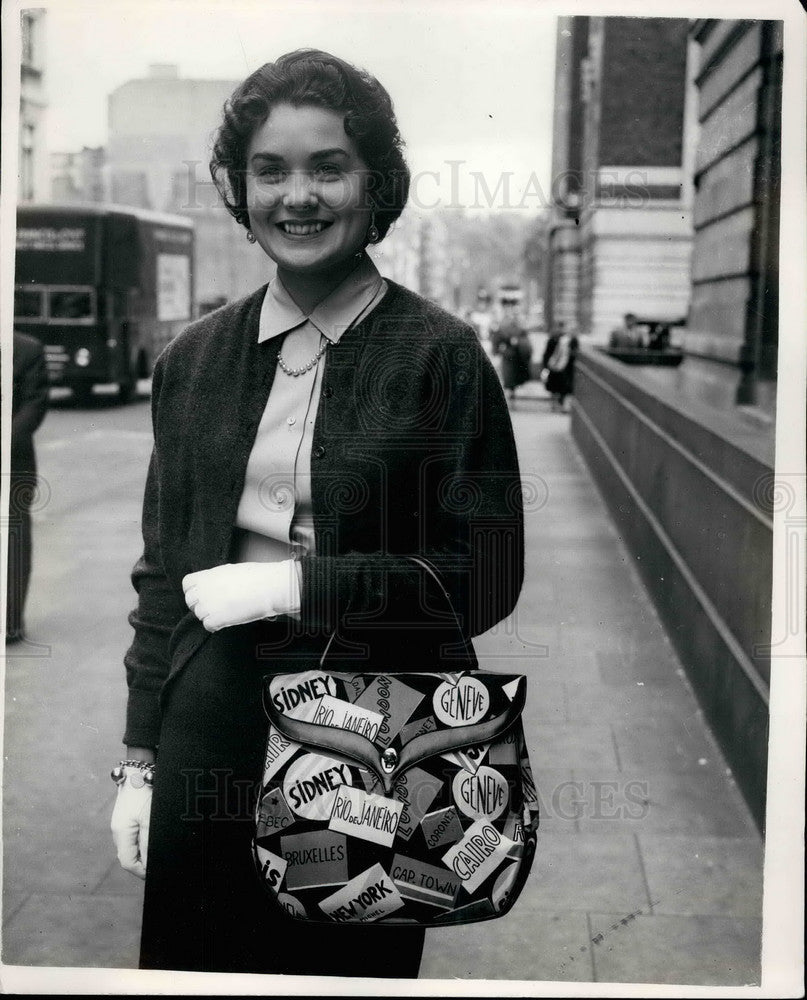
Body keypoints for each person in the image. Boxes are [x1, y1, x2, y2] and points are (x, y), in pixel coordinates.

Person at [110, 49, 524, 977]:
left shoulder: (442, 358)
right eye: (269, 170)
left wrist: (296, 586)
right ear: (239, 188)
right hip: (207, 727)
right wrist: (140, 761)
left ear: (374, 183)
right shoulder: (193, 360)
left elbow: (489, 579)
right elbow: (158, 577)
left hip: (370, 739)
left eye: (327, 167)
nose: (296, 196)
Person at [5, 331, 49, 643]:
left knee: (13, 541)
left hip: (13, 464)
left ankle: (10, 620)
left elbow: (35, 404)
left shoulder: (27, 350)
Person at [492, 307, 532, 404]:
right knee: (509, 376)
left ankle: (511, 393)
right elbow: (497, 339)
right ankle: (510, 393)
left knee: (512, 376)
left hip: (515, 356)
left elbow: (525, 342)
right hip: (510, 356)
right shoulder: (506, 328)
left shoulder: (519, 328)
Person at [541, 324, 578, 412]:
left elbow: (547, 354)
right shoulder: (566, 341)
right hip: (562, 368)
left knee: (555, 387)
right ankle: (560, 405)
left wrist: (546, 365)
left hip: (554, 367)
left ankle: (555, 405)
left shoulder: (556, 340)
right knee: (562, 388)